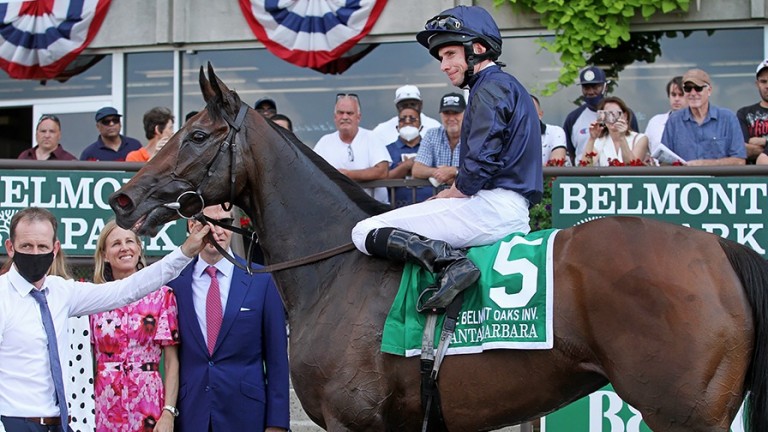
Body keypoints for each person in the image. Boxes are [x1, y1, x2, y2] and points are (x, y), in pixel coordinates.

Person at [351, 5, 542, 311]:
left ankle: (452, 265)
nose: (443, 64)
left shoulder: (489, 88)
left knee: (362, 231)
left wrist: (453, 192)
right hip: (508, 207)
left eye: (450, 54)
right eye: (441, 57)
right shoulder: (508, 86)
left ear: (477, 48)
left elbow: (480, 162)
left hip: (490, 208)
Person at [0, 207, 208, 432]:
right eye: (26, 246)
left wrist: (185, 252)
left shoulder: (62, 292)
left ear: (55, 249)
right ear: (10, 248)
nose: (34, 253)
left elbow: (127, 290)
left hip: (58, 423)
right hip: (13, 422)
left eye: (42, 246)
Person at [166, 205, 289, 432]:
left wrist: (277, 424)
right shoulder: (174, 284)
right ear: (192, 226)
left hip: (247, 415)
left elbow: (277, 360)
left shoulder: (261, 280)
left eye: (226, 222)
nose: (219, 231)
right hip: (191, 414)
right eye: (210, 223)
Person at [89, 221, 179, 432]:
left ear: (139, 249)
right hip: (105, 404)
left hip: (148, 402)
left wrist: (168, 411)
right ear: (104, 254)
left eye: (130, 241)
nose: (124, 248)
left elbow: (172, 362)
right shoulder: (94, 299)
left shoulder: (162, 296)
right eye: (116, 243)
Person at [0, 251, 95, 432]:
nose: (37, 259)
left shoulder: (71, 297)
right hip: (17, 417)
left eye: (44, 250)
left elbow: (80, 362)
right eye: (29, 248)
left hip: (65, 414)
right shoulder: (6, 295)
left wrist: (82, 420)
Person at [313, 94, 392, 204]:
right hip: (336, 209)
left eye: (349, 113)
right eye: (340, 113)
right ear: (335, 117)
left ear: (358, 117)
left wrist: (347, 175)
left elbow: (382, 171)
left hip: (372, 210)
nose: (345, 117)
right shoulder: (324, 142)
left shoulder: (371, 137)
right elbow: (313, 173)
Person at [661, 68, 746, 165]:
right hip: (685, 179)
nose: (693, 93)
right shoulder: (674, 120)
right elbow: (664, 161)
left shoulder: (728, 118)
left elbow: (739, 161)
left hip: (719, 179)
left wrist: (703, 164)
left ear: (709, 90)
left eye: (698, 88)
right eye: (688, 88)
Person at [563, 66, 639, 165]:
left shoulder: (624, 115)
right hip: (584, 176)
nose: (590, 92)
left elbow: (635, 146)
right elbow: (570, 153)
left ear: (605, 87)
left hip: (617, 176)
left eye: (595, 87)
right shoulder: (573, 118)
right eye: (586, 87)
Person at [411, 92, 465, 188]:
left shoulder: (475, 135)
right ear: (441, 115)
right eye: (447, 113)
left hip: (468, 198)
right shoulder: (432, 134)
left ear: (466, 113)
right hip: (439, 199)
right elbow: (417, 169)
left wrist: (454, 171)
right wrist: (442, 173)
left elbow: (480, 169)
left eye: (456, 113)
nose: (451, 118)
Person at [578, 96, 650, 166]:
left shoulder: (640, 138)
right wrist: (592, 139)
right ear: (602, 118)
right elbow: (585, 166)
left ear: (625, 116)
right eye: (607, 114)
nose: (612, 118)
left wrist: (622, 137)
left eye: (616, 114)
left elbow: (632, 165)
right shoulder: (600, 141)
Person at [385, 107, 433, 207]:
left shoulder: (432, 148)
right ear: (397, 126)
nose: (407, 122)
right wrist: (405, 166)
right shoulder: (387, 150)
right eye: (403, 119)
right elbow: (384, 178)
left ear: (421, 126)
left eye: (412, 119)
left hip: (430, 205)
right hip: (397, 207)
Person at [372, 85, 441, 145]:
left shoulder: (435, 128)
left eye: (413, 104)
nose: (409, 109)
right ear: (397, 107)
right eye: (404, 105)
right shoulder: (382, 131)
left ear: (421, 105)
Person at [644, 76, 686, 156]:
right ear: (668, 96)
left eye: (681, 95)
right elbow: (645, 152)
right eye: (673, 95)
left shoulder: (696, 123)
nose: (676, 99)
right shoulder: (655, 122)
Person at [737, 59, 768, 164]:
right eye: (763, 81)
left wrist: (764, 142)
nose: (767, 86)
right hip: (751, 178)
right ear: (757, 84)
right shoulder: (744, 113)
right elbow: (742, 150)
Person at [530, 95, 567, 165]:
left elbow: (556, 165)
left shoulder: (555, 131)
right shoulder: (509, 135)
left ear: (540, 114)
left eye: (531, 110)